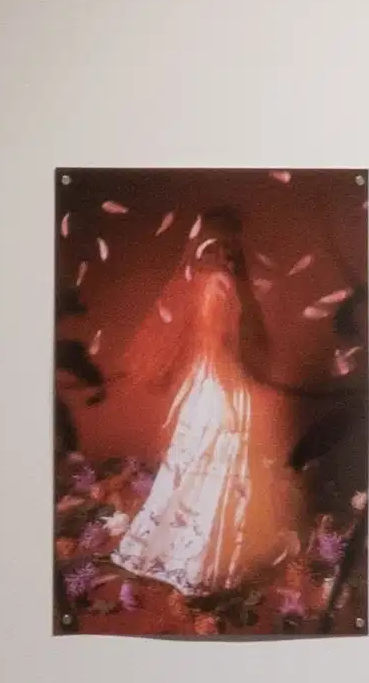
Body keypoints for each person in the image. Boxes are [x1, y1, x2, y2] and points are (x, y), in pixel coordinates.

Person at [105, 220, 302, 599]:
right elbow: (216, 341)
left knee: (203, 463)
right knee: (214, 458)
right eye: (224, 248)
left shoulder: (206, 281)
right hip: (218, 381)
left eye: (232, 249)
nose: (230, 255)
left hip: (209, 380)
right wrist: (231, 389)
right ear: (210, 248)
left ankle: (188, 550)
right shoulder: (219, 284)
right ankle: (199, 559)